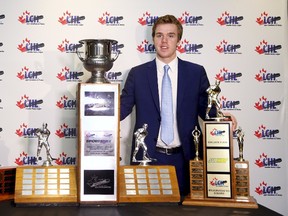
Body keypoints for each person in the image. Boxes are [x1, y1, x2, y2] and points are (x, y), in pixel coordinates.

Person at [120, 14, 237, 196]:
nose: (164, 41)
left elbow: (206, 110)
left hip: (186, 159)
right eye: (159, 35)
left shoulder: (195, 73)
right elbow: (121, 109)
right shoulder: (138, 75)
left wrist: (223, 118)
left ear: (179, 40)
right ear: (153, 39)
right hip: (148, 158)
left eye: (170, 35)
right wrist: (94, 111)